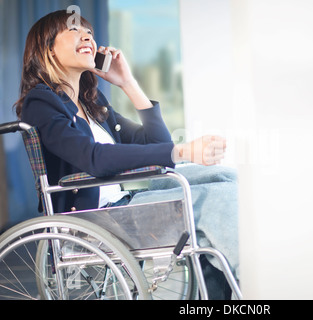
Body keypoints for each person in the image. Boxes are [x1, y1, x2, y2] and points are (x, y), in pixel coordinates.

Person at [14, 10, 238, 300]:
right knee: (218, 201)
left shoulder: (93, 105)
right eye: (73, 31)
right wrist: (182, 151)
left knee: (226, 178)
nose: (87, 36)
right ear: (48, 49)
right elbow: (94, 158)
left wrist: (128, 84)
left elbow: (156, 144)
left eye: (89, 32)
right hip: (93, 219)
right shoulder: (40, 103)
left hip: (122, 207)